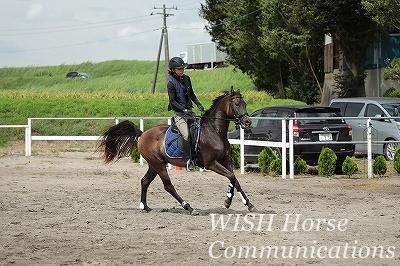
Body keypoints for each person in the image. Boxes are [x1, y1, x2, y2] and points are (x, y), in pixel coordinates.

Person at [167, 56, 204, 171]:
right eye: (179, 69)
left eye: (183, 68)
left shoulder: (187, 79)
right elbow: (172, 101)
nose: (182, 70)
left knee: (200, 130)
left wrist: (198, 104)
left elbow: (192, 94)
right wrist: (183, 110)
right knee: (187, 135)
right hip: (179, 114)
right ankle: (189, 160)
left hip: (190, 112)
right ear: (173, 69)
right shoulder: (170, 83)